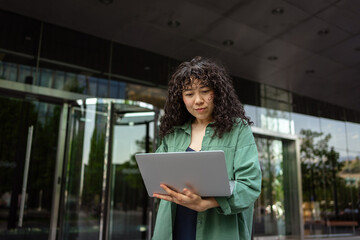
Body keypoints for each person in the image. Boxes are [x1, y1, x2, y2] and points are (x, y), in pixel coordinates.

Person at [152, 56, 262, 240]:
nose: (198, 101)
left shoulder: (238, 130)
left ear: (217, 92)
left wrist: (209, 203)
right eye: (189, 94)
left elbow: (249, 186)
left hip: (219, 229)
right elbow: (157, 178)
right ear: (181, 98)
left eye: (204, 91)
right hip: (174, 227)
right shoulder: (173, 134)